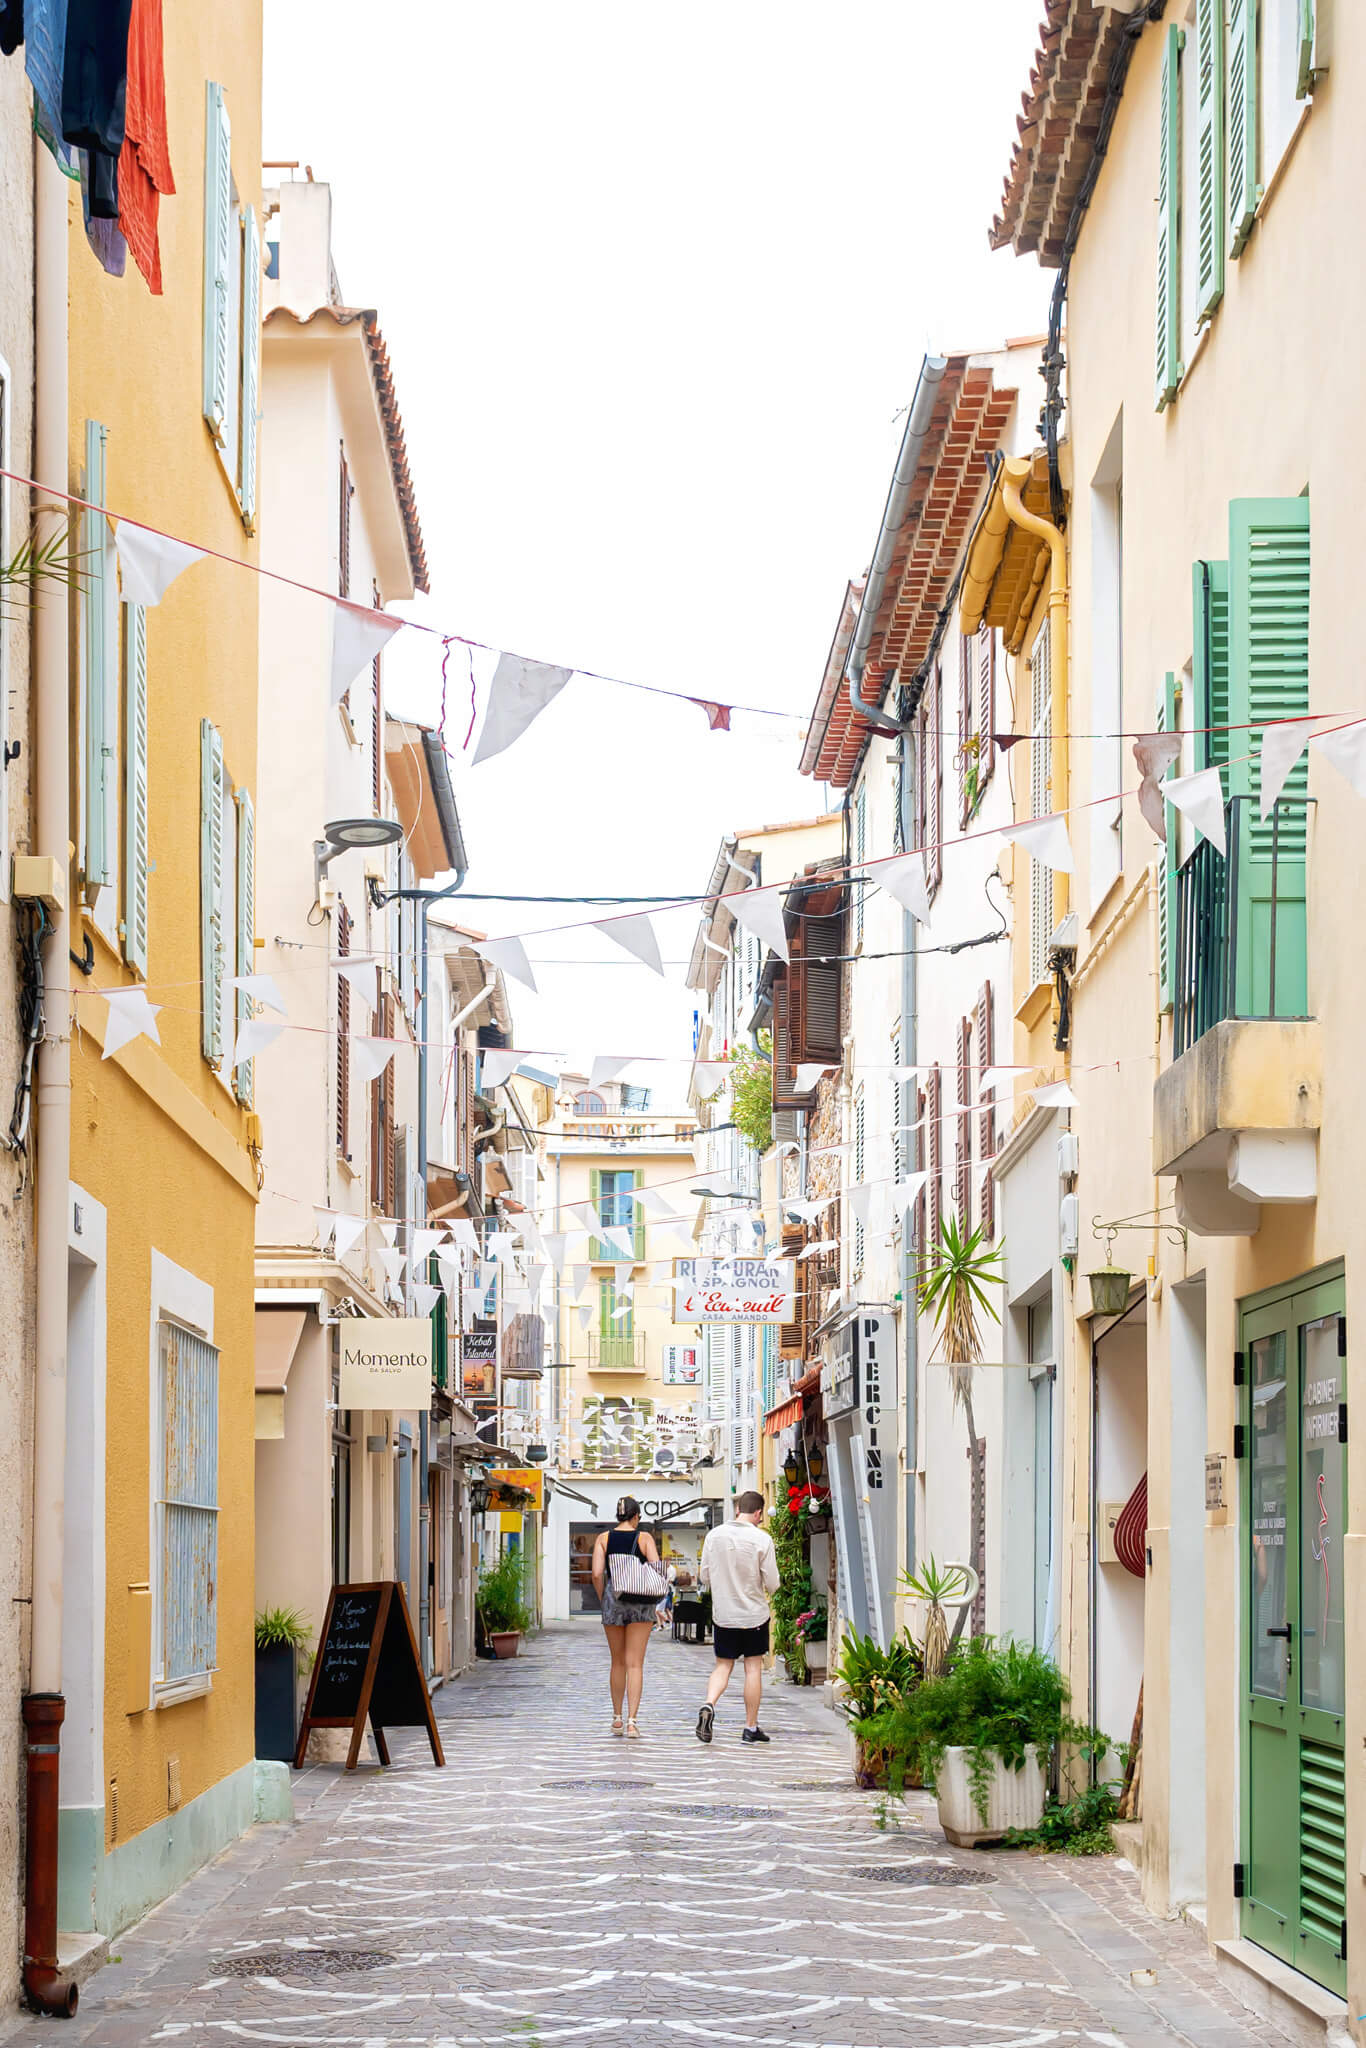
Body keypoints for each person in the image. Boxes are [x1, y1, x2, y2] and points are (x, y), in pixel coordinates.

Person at [695, 1491, 780, 1745]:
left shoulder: (714, 1536)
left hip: (724, 1615)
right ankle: (750, 1727)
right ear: (758, 1513)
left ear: (737, 1510)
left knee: (723, 1666)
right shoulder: (762, 1539)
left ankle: (709, 1704)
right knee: (752, 1668)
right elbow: (773, 1582)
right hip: (754, 1616)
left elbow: (704, 1576)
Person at [592, 1496, 662, 1738]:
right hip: (641, 1602)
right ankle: (632, 1722)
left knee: (617, 1662)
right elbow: (656, 1569)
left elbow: (596, 1573)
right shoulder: (644, 1538)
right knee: (635, 1664)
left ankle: (617, 1719)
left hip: (614, 1600)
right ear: (636, 1517)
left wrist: (605, 1598)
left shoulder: (603, 1539)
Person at [655, 1559, 678, 1633]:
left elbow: (671, 1580)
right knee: (664, 1609)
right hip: (663, 1591)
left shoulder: (672, 1569)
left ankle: (668, 1621)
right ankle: (662, 1625)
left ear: (669, 1561)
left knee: (665, 1609)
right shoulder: (663, 1569)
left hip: (668, 1591)